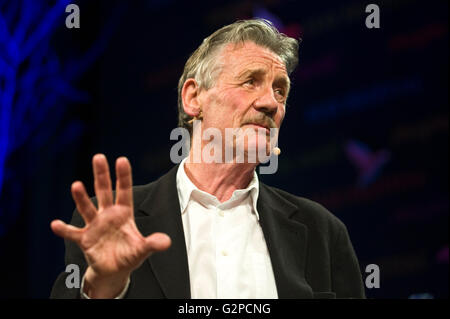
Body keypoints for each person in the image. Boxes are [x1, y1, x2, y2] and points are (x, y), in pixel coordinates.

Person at [50, 19, 365, 299]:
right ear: (193, 98)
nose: (271, 103)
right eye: (250, 81)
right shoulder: (115, 222)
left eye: (280, 90)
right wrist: (104, 288)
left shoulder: (322, 231)